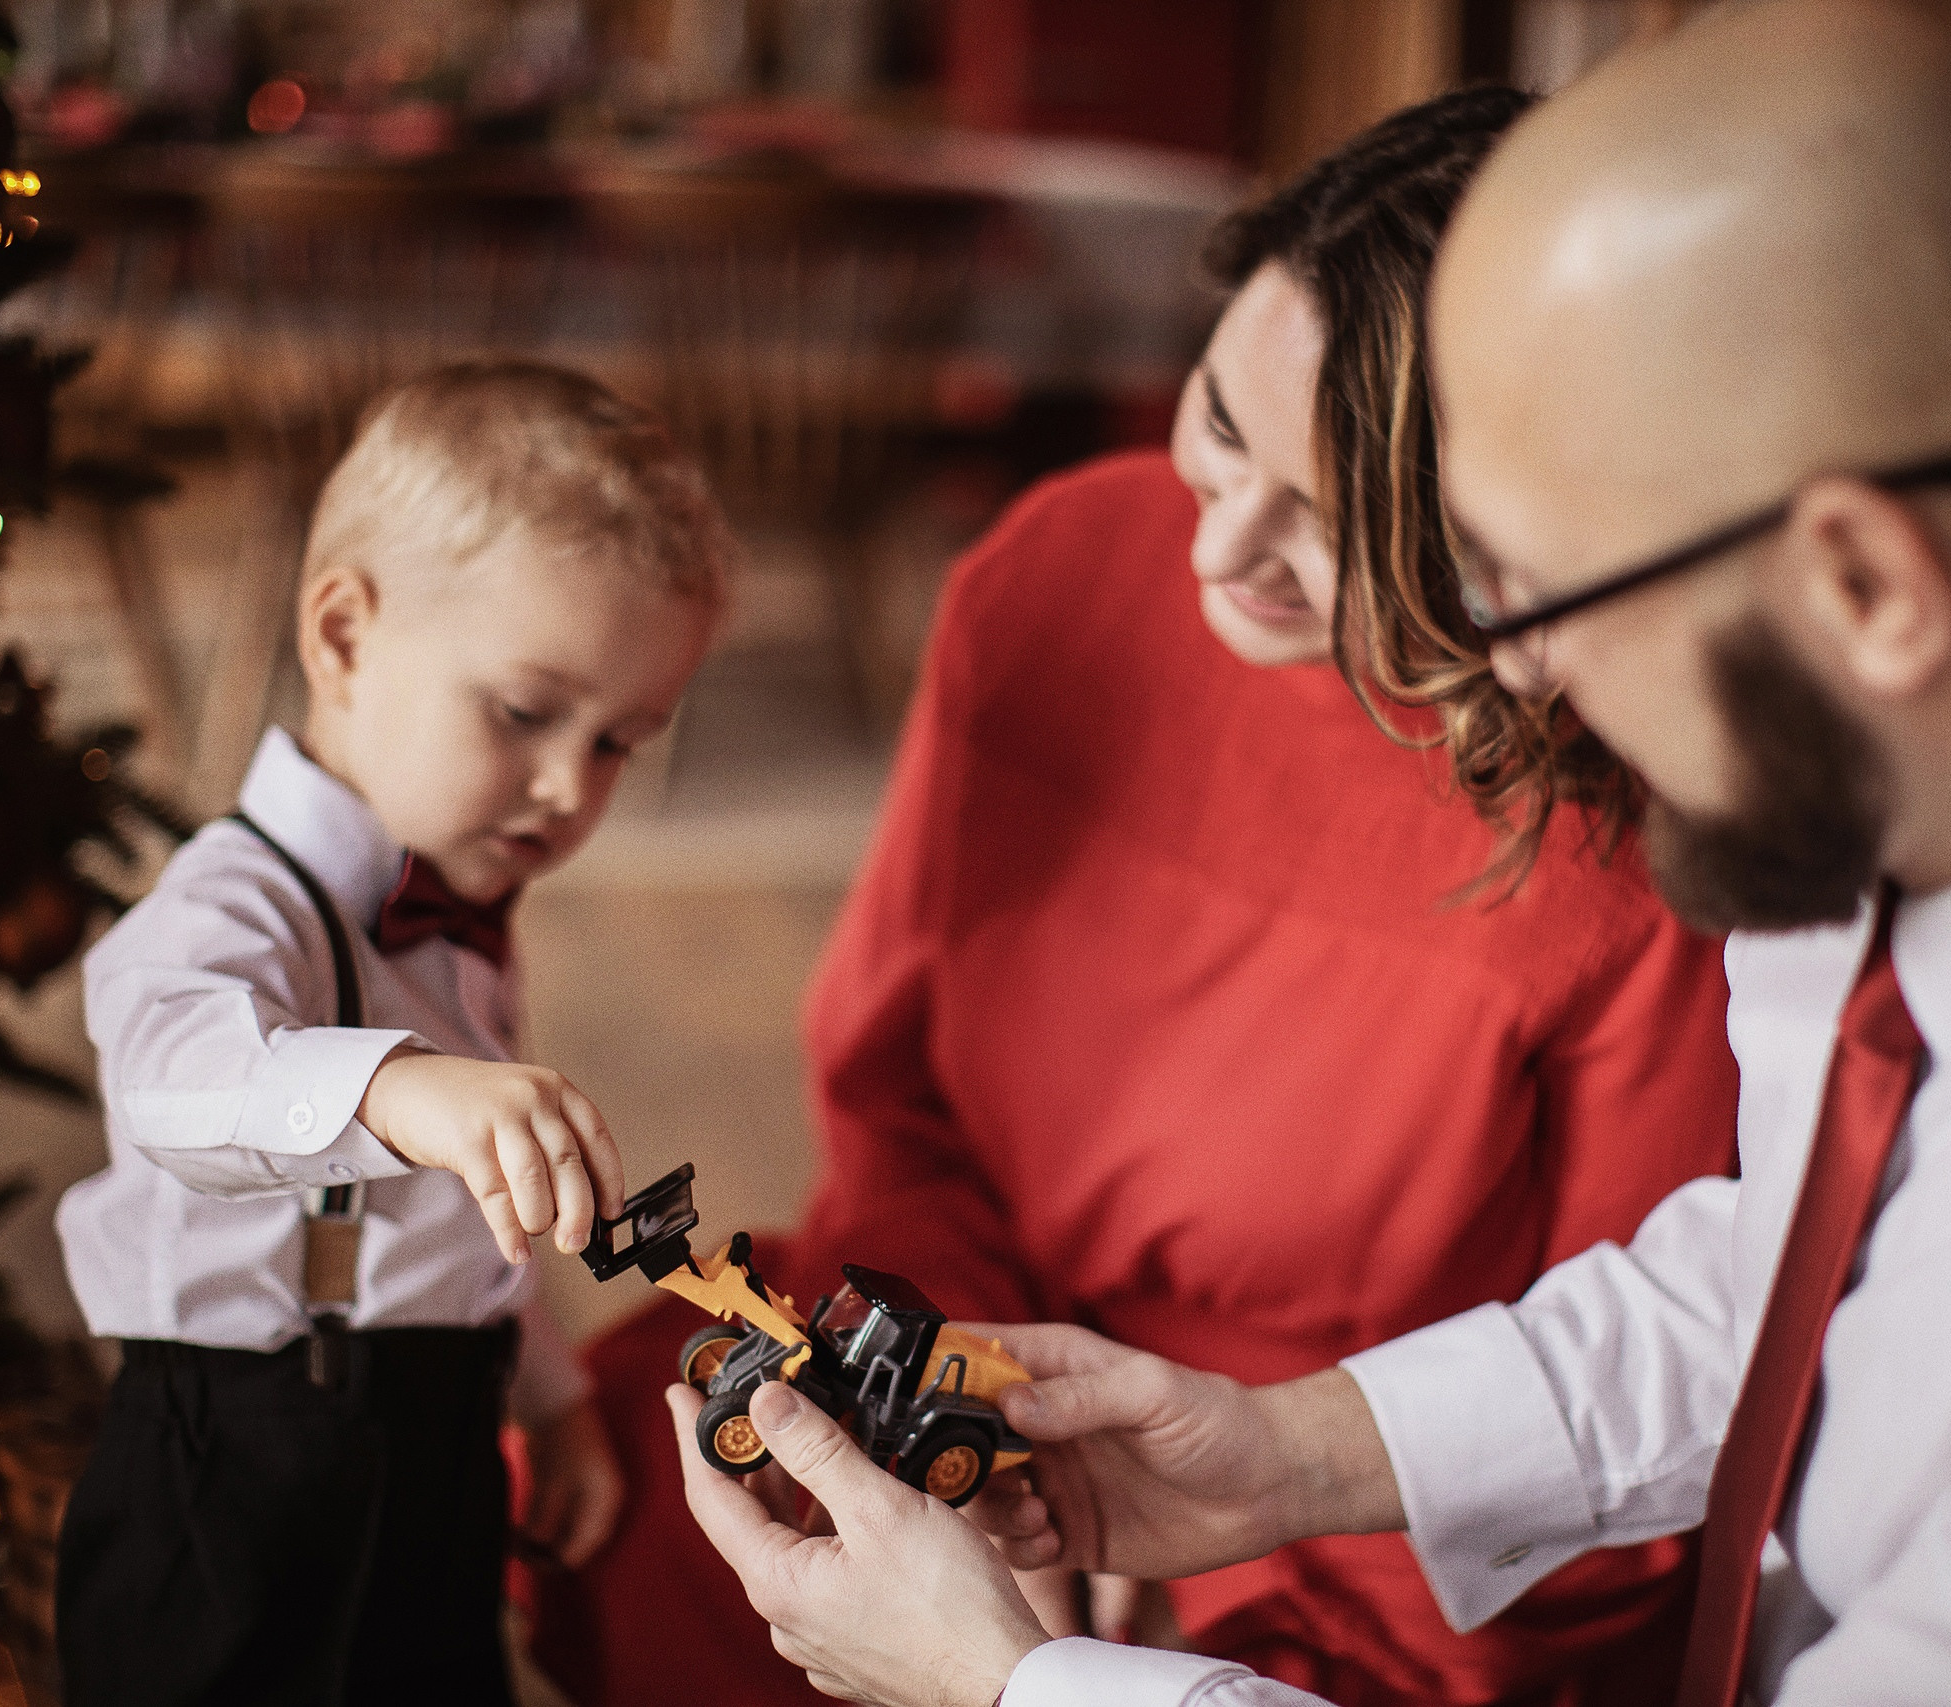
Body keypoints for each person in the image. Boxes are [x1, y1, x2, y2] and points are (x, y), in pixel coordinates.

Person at [668, 1, 1951, 1703]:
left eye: (1524, 588)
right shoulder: (1937, 741)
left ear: (1866, 588)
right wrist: (1292, 1452)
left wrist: (1008, 1688)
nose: (1515, 675)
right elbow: (1790, 1273)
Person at [541, 88, 1739, 1707]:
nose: (1223, 544)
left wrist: (1164, 1572)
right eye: (1224, 427)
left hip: (1358, 1529)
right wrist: (973, 1444)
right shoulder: (1059, 568)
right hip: (982, 1361)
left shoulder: (1640, 807)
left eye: (1343, 522)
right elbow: (902, 1109)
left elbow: (1631, 1409)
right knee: (627, 1498)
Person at [54, 361, 733, 1705]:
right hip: (236, 1466)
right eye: (527, 712)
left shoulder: (467, 910)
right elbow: (175, 1081)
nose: (563, 789)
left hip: (437, 1439)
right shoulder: (236, 903)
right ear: (346, 635)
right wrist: (398, 1090)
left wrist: (549, 1400)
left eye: (618, 744)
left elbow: (460, 1230)